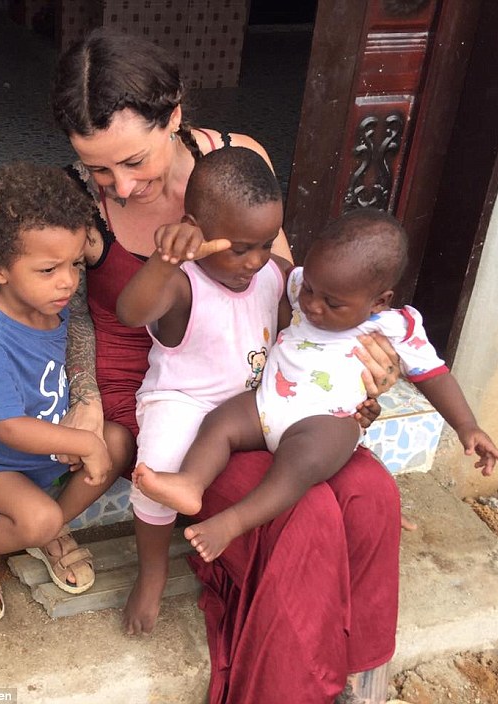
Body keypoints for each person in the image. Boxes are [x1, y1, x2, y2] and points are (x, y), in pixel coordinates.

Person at [53, 28, 403, 703]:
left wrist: (352, 370)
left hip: (260, 383)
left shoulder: (238, 163)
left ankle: (358, 669)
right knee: (306, 521)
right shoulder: (76, 201)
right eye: (99, 168)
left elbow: (292, 288)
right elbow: (72, 312)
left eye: (133, 160)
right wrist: (85, 393)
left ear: (175, 116)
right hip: (166, 393)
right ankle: (288, 689)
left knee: (370, 495)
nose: (121, 186)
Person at [135, 208, 498, 563]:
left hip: (325, 423)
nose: (311, 304)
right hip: (267, 403)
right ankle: (190, 484)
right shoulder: (301, 284)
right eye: (310, 288)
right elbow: (278, 270)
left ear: (379, 301)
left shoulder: (396, 327)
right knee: (219, 423)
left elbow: (434, 374)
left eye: (332, 303)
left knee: (301, 464)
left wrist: (466, 425)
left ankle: (233, 522)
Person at [0, 162, 129, 624]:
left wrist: (89, 434)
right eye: (48, 269)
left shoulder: (60, 311)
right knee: (39, 517)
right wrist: (83, 442)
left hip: (52, 459)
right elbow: (8, 428)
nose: (68, 281)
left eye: (74, 264)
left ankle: (50, 523)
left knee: (120, 443)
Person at [116, 145, 292, 567]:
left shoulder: (275, 274)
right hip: (185, 402)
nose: (256, 260)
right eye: (241, 248)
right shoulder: (182, 283)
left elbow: (301, 320)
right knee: (157, 463)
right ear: (197, 230)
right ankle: (153, 571)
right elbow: (129, 313)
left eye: (267, 243)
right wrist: (164, 259)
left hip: (248, 404)